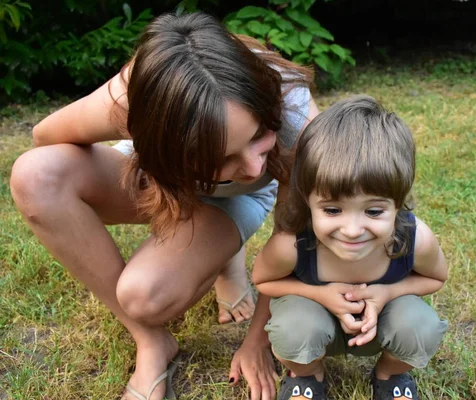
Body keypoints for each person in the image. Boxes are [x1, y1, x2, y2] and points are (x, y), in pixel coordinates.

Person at [9, 12, 319, 400]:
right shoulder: (135, 98)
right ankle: (152, 343)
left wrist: (258, 339)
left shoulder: (292, 113)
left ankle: (223, 252)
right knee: (36, 175)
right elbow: (45, 137)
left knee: (145, 296)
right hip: (164, 176)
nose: (256, 166)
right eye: (221, 157)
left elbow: (293, 236)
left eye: (259, 136)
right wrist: (145, 149)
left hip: (240, 198)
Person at [252, 95, 449, 400]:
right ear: (308, 200)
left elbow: (437, 278)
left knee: (421, 327)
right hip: (314, 323)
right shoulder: (292, 244)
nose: (353, 230)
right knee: (291, 330)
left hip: (382, 321)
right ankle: (307, 376)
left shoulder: (414, 238)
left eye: (373, 211)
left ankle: (390, 375)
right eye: (332, 210)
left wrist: (386, 293)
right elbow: (263, 279)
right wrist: (319, 294)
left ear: (397, 204)